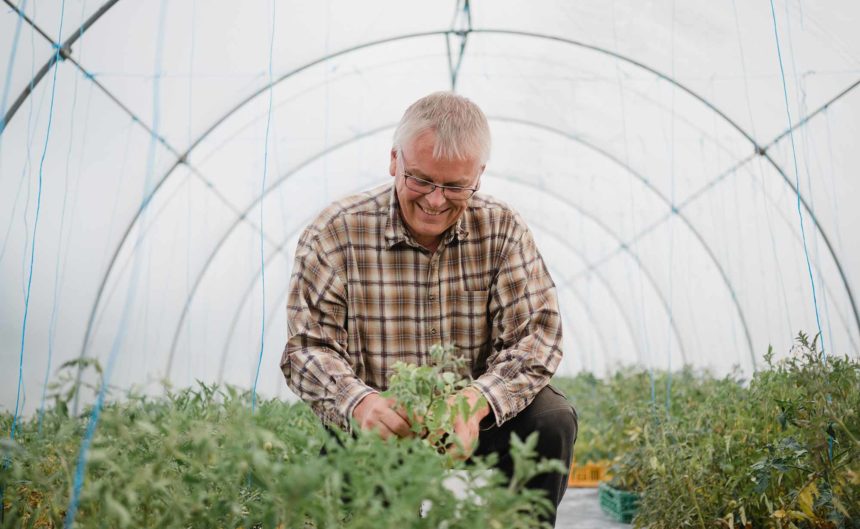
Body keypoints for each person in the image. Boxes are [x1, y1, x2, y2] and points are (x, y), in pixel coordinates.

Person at [281, 91, 577, 526]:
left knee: (551, 419)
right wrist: (360, 403)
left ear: (479, 175)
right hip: (374, 424)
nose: (436, 201)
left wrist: (474, 403)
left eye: (456, 186)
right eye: (420, 179)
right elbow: (307, 350)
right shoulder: (337, 232)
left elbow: (537, 337)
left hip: (476, 424)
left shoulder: (501, 229)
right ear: (394, 161)